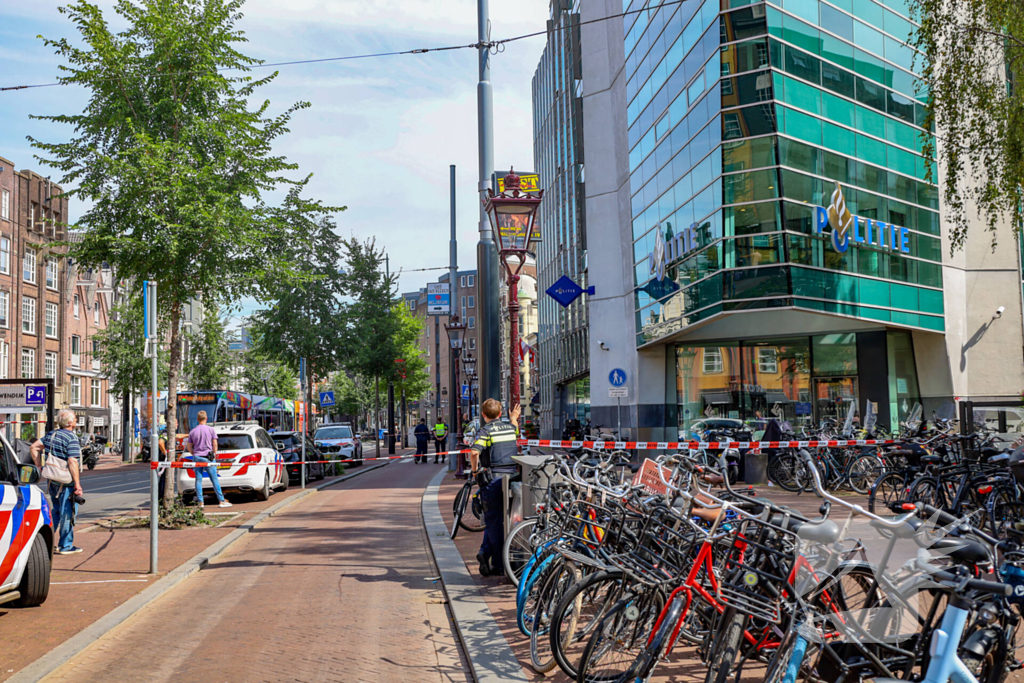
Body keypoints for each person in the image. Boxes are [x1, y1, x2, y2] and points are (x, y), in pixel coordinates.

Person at [468, 399, 520, 578]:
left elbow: (474, 452)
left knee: (493, 521)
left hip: (493, 480)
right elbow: (515, 428)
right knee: (508, 520)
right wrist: (513, 417)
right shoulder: (511, 429)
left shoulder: (485, 431)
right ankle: (485, 552)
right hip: (512, 478)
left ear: (483, 415)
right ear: (500, 414)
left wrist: (475, 472)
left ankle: (497, 564)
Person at [30, 409, 84, 554]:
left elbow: (34, 447)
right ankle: (65, 546)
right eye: (76, 419)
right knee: (68, 513)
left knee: (55, 511)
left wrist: (39, 466)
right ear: (71, 422)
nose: (76, 421)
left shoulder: (51, 435)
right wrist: (77, 484)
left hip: (52, 481)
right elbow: (73, 461)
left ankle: (46, 540)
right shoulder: (71, 438)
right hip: (66, 483)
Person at [186, 410, 232, 508]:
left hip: (197, 457)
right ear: (206, 418)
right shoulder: (211, 430)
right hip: (208, 457)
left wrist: (195, 454)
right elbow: (214, 444)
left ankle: (200, 502)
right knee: (214, 479)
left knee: (198, 480)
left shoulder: (193, 431)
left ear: (198, 419)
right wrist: (214, 454)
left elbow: (189, 447)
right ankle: (221, 500)